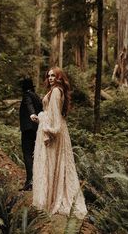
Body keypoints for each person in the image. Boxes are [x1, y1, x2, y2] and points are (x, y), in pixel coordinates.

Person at [32, 67, 87, 219]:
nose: (50, 78)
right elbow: (50, 112)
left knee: (51, 164)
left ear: (59, 77)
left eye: (53, 76)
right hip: (53, 128)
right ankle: (50, 198)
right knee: (52, 164)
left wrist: (49, 131)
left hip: (54, 133)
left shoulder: (56, 91)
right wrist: (41, 117)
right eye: (48, 75)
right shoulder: (54, 91)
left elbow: (55, 116)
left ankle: (51, 200)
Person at [19, 78, 43, 191]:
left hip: (28, 129)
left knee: (27, 154)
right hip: (37, 129)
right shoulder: (37, 96)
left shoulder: (27, 95)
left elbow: (29, 105)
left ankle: (30, 181)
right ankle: (37, 180)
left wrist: (32, 114)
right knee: (36, 155)